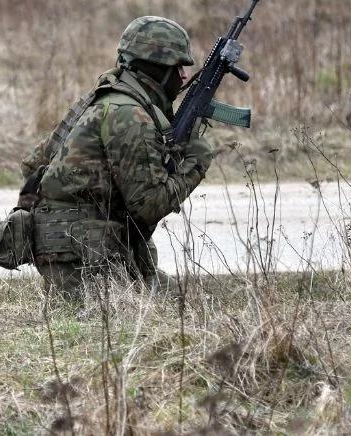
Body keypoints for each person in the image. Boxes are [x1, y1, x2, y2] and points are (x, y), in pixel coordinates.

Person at [19, 16, 215, 296]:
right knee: (180, 309)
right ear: (155, 68)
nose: (184, 75)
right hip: (88, 263)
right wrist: (197, 161)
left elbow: (33, 165)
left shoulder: (105, 96)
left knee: (189, 300)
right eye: (178, 66)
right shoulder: (129, 114)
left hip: (85, 254)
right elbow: (149, 204)